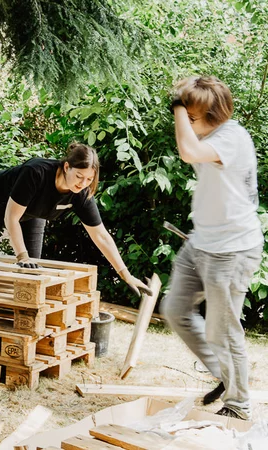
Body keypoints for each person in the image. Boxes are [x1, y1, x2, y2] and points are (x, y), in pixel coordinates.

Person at [161, 76, 263, 420]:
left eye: (192, 118)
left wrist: (177, 104)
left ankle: (238, 404)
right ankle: (223, 374)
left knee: (223, 328)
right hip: (202, 242)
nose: (187, 125)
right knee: (175, 310)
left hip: (231, 251)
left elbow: (187, 151)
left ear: (213, 116)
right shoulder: (213, 134)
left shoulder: (232, 137)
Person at [0, 143, 152, 298]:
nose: (82, 183)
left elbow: (101, 235)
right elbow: (11, 217)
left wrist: (125, 275)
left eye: (89, 179)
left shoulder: (81, 193)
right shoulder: (35, 172)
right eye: (79, 176)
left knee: (32, 268)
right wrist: (21, 256)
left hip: (32, 213)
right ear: (66, 167)